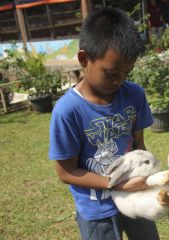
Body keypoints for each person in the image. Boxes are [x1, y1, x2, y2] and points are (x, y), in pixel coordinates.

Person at [48, 8, 160, 240]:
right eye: (111, 73)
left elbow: (139, 145)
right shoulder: (67, 111)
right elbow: (66, 171)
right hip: (97, 210)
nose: (119, 80)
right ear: (83, 59)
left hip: (137, 198)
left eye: (127, 73)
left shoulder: (134, 95)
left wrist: (148, 178)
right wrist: (116, 184)